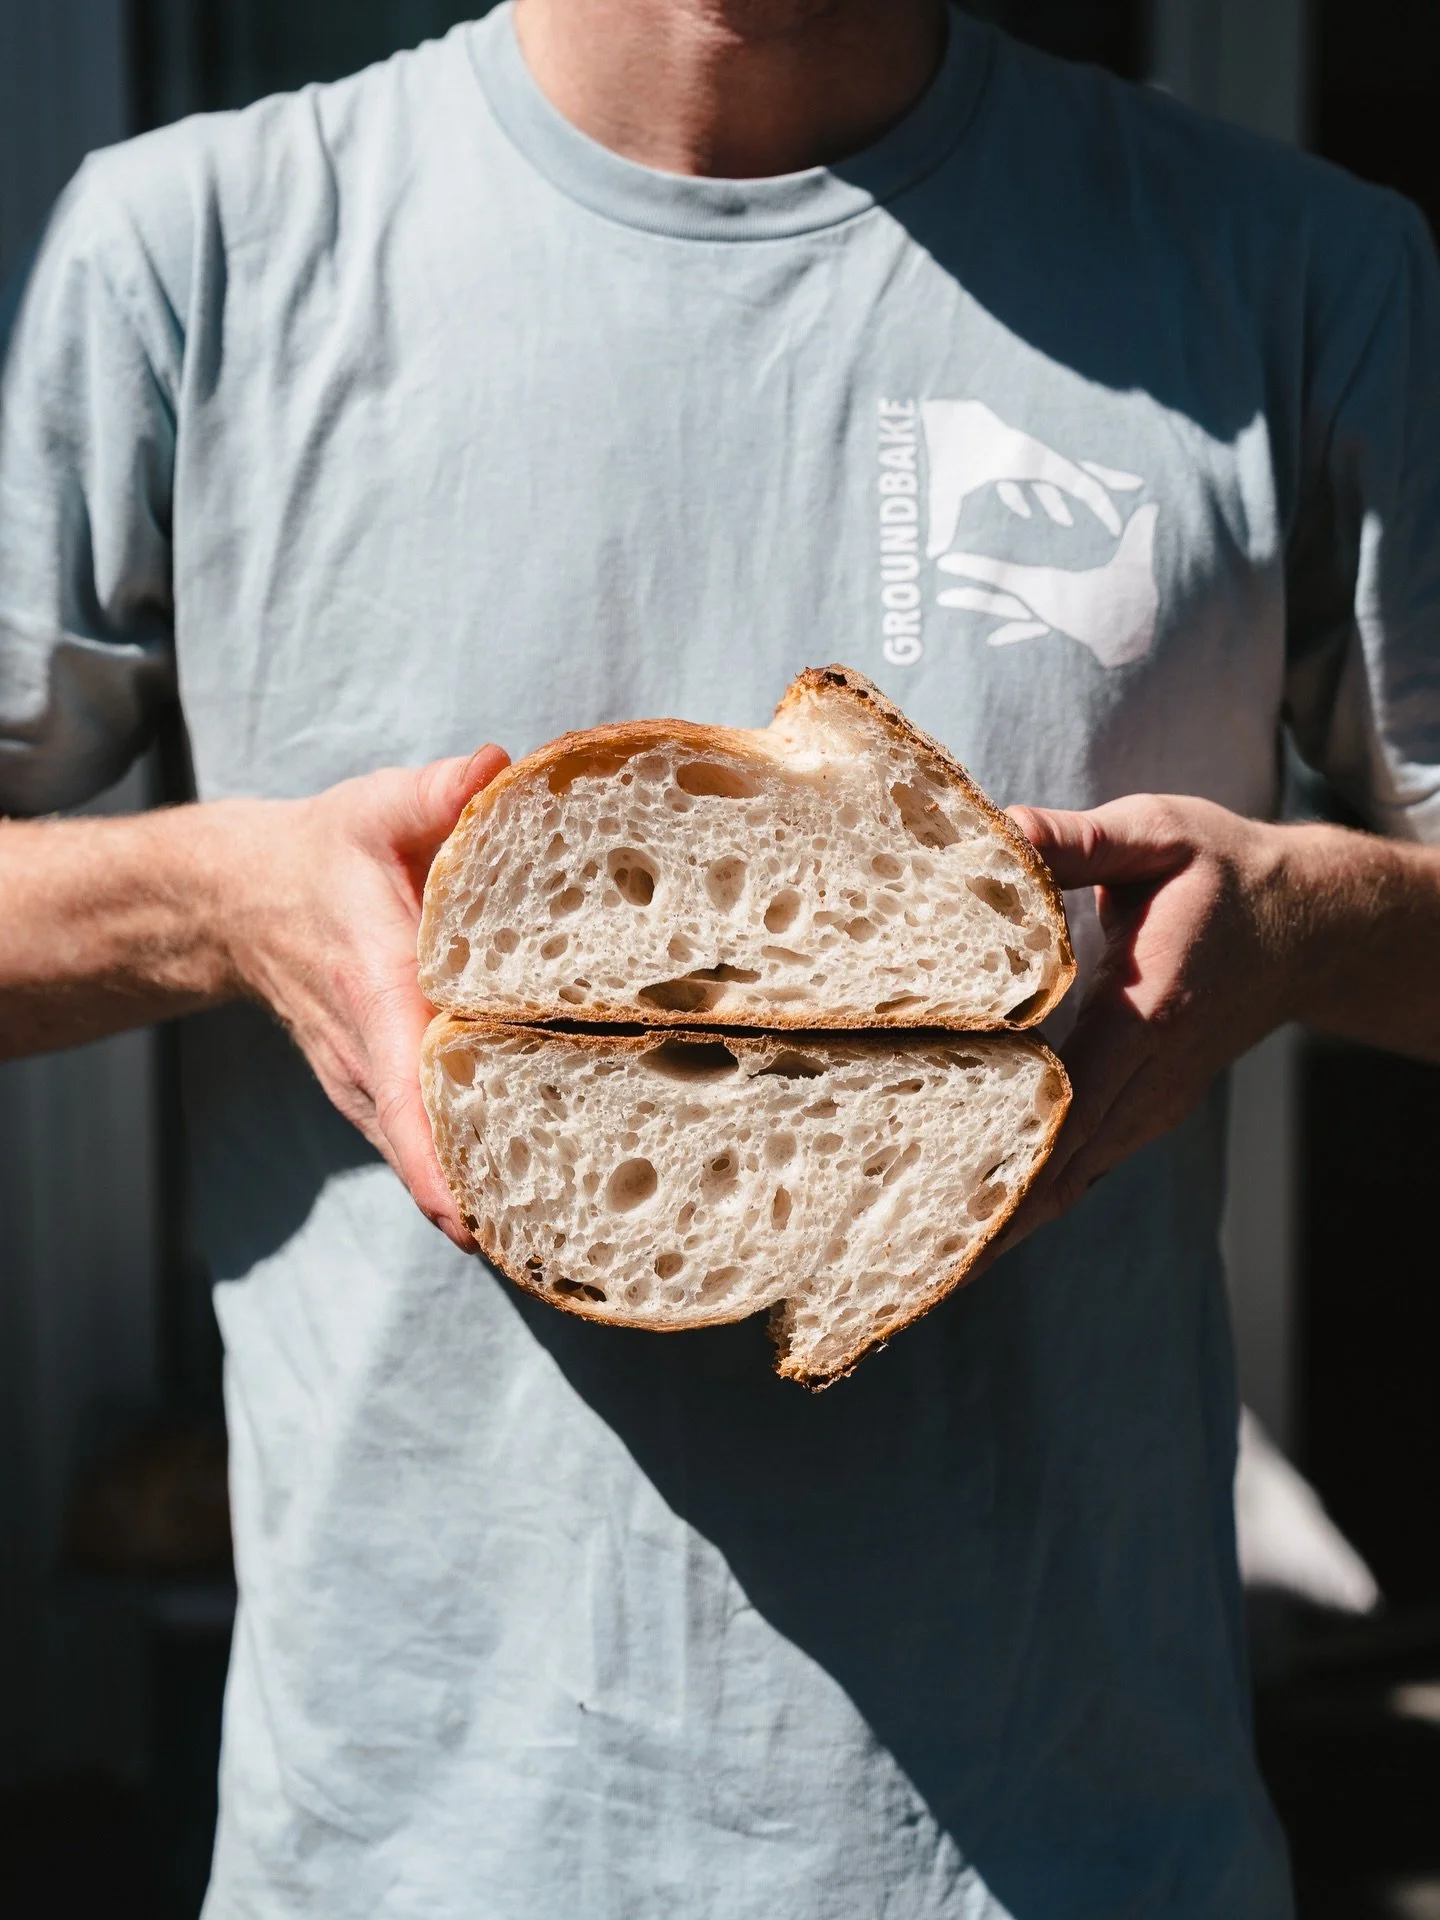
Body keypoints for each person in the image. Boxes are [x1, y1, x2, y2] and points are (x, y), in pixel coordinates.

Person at [1, 0, 1437, 1912]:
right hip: (402, 1858)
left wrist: (1300, 932)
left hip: (1077, 1856)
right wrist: (226, 901)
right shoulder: (200, 249)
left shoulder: (1298, 268)